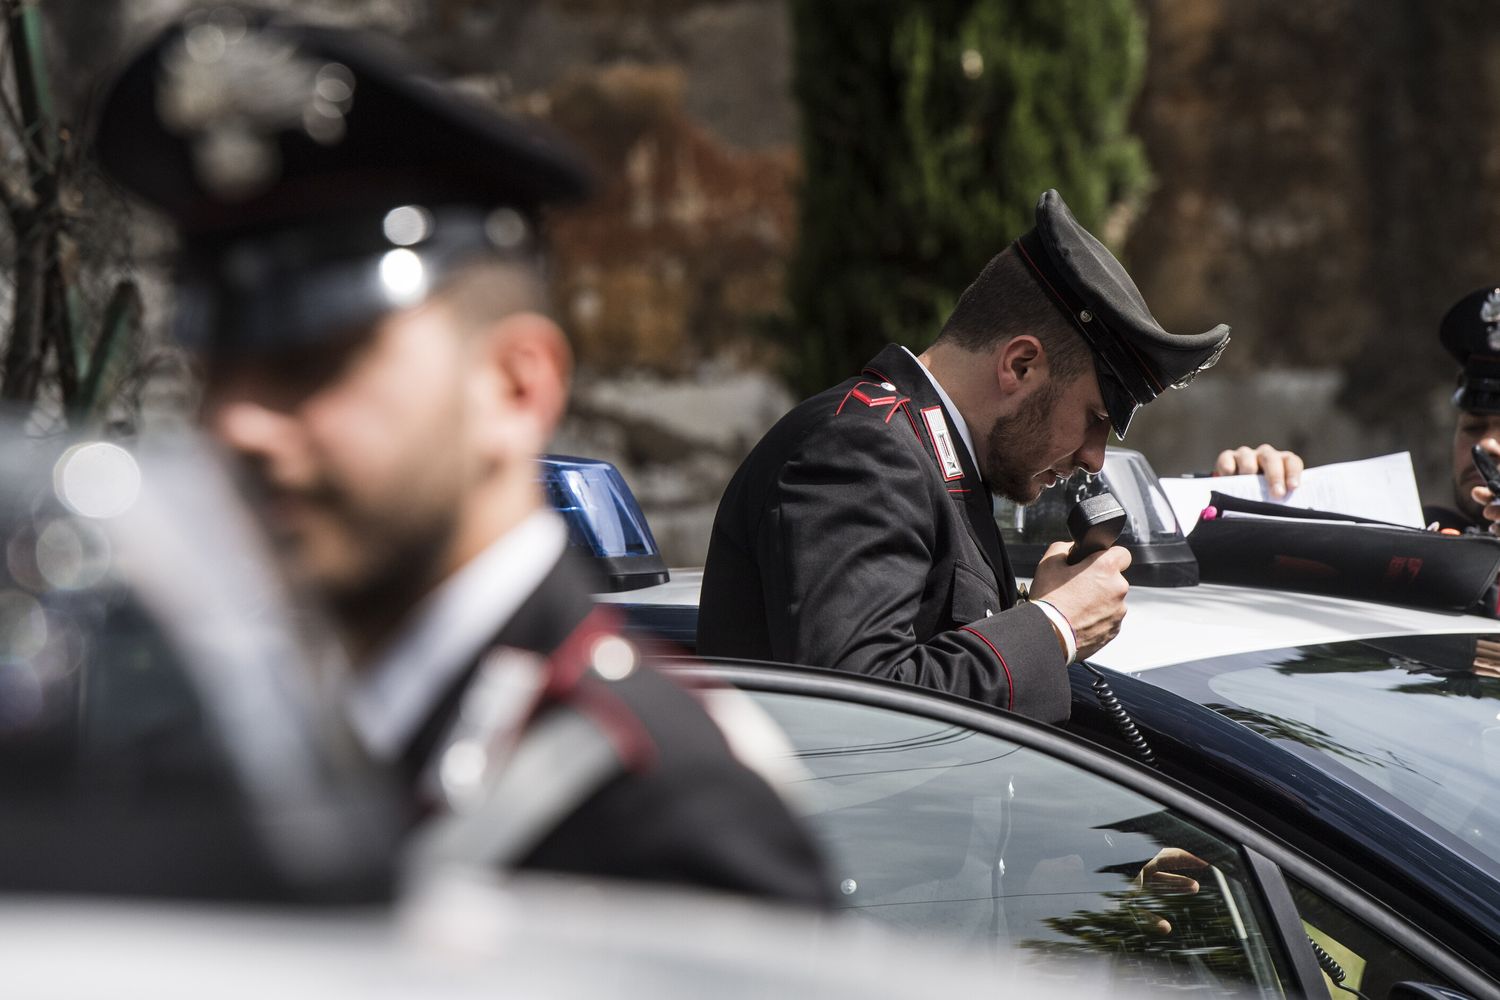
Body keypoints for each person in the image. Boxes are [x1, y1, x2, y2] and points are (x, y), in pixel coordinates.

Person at [93, 8, 828, 906]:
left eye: (315, 361)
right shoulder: (246, 752)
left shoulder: (662, 815)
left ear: (516, 390)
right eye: (215, 370)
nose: (238, 422)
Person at [698, 190, 1231, 723]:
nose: (1095, 458)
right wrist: (1053, 626)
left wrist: (1033, 617)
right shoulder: (865, 452)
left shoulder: (934, 459)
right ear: (1021, 365)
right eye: (1095, 417)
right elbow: (857, 711)